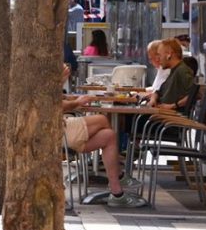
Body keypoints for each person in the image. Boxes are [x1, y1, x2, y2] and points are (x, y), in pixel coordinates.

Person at [61, 65, 144, 207]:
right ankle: (118, 174)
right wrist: (75, 102)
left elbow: (57, 99)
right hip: (57, 130)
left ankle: (116, 193)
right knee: (102, 120)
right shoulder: (41, 73)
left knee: (108, 136)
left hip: (62, 126)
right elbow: (52, 103)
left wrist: (72, 97)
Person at [147, 38, 195, 111]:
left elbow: (194, 94)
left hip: (168, 118)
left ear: (169, 54)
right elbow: (158, 92)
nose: (158, 59)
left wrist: (172, 106)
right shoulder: (174, 70)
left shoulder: (182, 71)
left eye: (160, 55)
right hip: (161, 114)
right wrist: (153, 99)